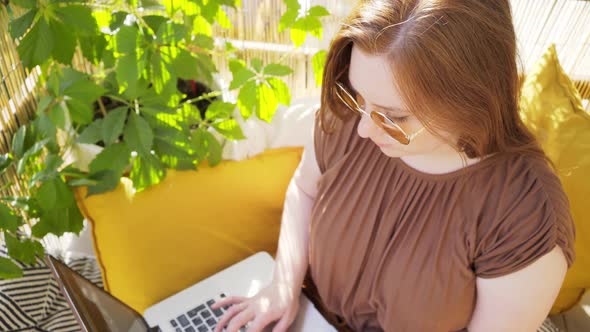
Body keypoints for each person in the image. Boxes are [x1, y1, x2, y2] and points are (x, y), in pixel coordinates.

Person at [212, 0, 576, 331]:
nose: (364, 128)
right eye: (358, 94)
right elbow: (305, 189)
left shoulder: (522, 212)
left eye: (394, 116)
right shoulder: (347, 115)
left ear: (471, 101)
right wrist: (282, 286)